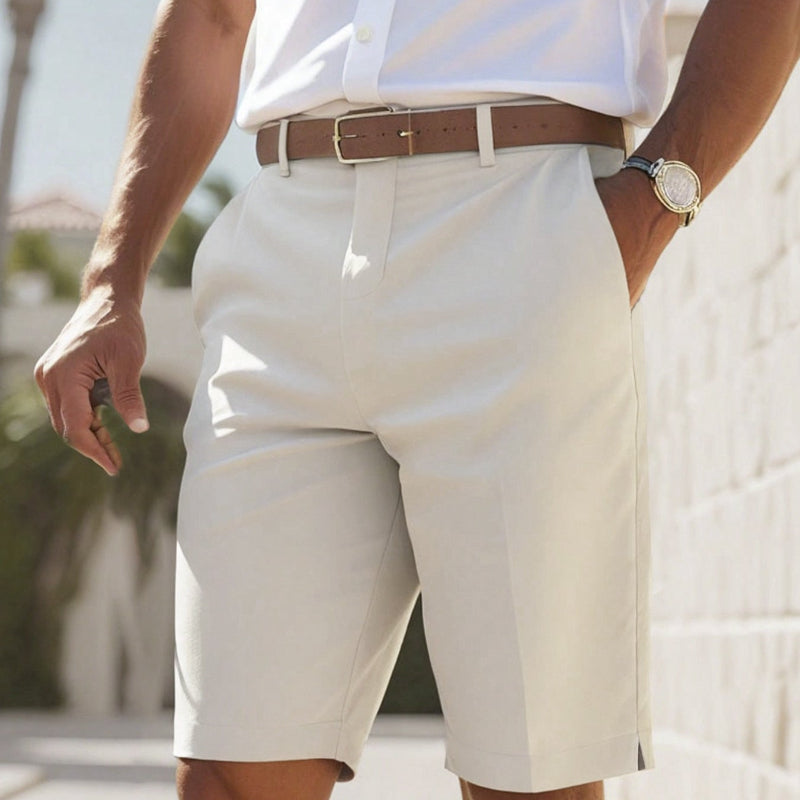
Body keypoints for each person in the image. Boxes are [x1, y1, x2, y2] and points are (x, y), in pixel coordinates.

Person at [34, 2, 799, 799]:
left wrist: (648, 210)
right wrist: (110, 281)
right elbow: (214, 16)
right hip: (284, 242)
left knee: (528, 773)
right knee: (231, 767)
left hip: (528, 219)